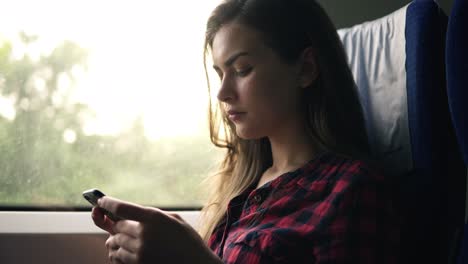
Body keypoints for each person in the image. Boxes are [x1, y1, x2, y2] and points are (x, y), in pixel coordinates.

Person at [91, 0, 400, 263]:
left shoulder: (352, 190)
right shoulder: (242, 189)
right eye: (220, 74)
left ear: (305, 69)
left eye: (241, 70)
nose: (222, 93)